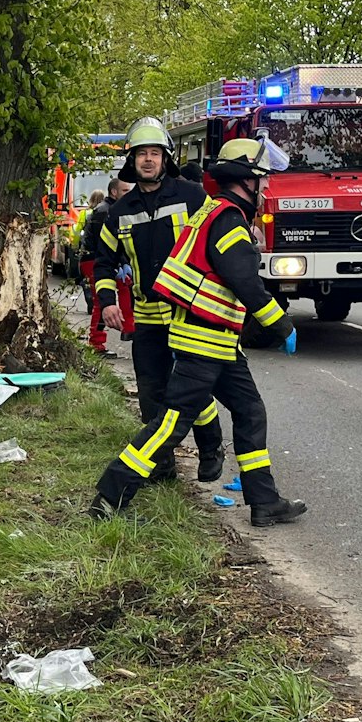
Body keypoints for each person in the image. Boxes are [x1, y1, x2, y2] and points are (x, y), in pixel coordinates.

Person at [91, 139, 306, 526]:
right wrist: (280, 323)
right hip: (203, 341)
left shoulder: (213, 210)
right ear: (246, 181)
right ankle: (110, 494)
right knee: (171, 423)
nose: (266, 189)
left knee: (249, 411)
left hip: (217, 340)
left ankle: (264, 500)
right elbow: (243, 279)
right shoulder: (228, 219)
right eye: (262, 180)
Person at [94, 117, 224, 482]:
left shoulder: (193, 197)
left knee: (193, 389)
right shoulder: (119, 212)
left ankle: (210, 448)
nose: (148, 160)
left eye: (155, 153)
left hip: (190, 314)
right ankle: (163, 464)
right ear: (131, 160)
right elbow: (103, 264)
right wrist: (107, 302)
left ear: (166, 159)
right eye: (141, 154)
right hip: (148, 319)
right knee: (152, 393)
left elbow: (220, 240)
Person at [81, 181, 131, 354]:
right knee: (101, 302)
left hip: (97, 259)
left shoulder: (109, 209)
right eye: (125, 190)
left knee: (125, 288)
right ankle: (96, 343)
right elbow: (109, 244)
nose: (128, 193)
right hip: (94, 260)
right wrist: (120, 263)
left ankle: (129, 328)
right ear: (114, 192)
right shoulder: (106, 211)